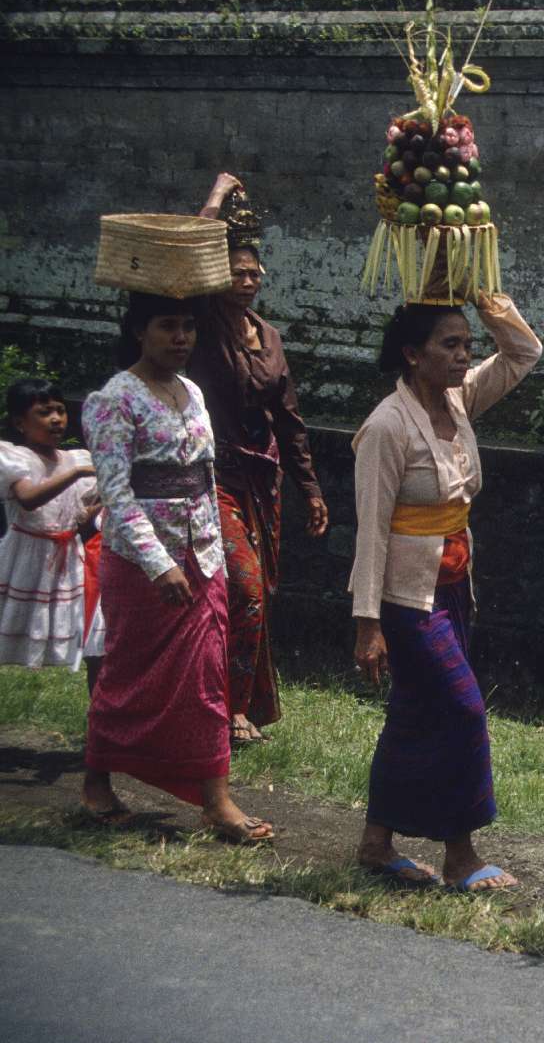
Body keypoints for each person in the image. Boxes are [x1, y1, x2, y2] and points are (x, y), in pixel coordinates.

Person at [349, 293, 542, 892]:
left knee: (412, 712)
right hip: (407, 600)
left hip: (454, 585)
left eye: (466, 344)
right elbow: (372, 529)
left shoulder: (460, 403)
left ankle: (375, 843)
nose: (464, 356)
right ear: (412, 354)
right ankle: (460, 852)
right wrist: (368, 623)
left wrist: (493, 309)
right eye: (449, 345)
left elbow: (523, 351)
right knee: (463, 711)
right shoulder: (386, 426)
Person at [79, 293, 273, 839]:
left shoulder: (192, 393)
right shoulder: (113, 399)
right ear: (140, 332)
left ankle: (215, 798)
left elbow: (204, 480)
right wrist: (159, 564)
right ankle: (97, 779)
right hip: (142, 565)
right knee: (128, 676)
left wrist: (215, 550)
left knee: (207, 676)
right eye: (168, 327)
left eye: (188, 327)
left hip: (202, 554)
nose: (181, 337)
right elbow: (115, 493)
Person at [196, 173, 328, 745]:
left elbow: (289, 421)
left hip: (261, 480)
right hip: (211, 478)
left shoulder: (267, 335)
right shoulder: (199, 328)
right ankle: (225, 707)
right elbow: (185, 262)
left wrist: (312, 489)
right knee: (242, 590)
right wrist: (215, 200)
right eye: (237, 271)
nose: (249, 281)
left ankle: (241, 702)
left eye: (254, 273)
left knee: (256, 595)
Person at [0, 378, 101, 669]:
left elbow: (83, 512)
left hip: (66, 555)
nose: (56, 419)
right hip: (26, 554)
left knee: (58, 621)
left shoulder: (74, 459)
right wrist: (78, 473)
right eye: (44, 413)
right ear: (20, 423)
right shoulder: (17, 457)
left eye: (60, 410)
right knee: (17, 616)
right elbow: (28, 498)